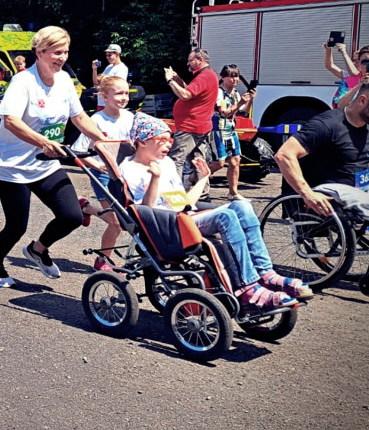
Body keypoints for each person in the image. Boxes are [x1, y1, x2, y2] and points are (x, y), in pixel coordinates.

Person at [121, 113, 309, 307]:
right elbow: (145, 211)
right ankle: (248, 286)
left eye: (170, 139)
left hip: (185, 216)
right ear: (142, 141)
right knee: (226, 215)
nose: (169, 144)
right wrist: (155, 179)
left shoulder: (166, 163)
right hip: (166, 227)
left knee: (242, 205)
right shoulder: (130, 168)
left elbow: (185, 202)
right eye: (162, 140)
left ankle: (266, 273)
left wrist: (203, 178)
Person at [0, 26, 106, 287]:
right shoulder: (23, 82)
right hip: (13, 167)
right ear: (40, 52)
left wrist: (103, 141)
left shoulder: (63, 81)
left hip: (46, 165)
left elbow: (79, 116)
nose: (62, 57)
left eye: (66, 52)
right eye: (57, 52)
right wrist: (43, 141)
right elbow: (11, 121)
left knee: (71, 216)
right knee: (16, 226)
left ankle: (38, 250)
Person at [275, 82, 369, 218]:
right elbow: (284, 155)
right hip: (329, 199)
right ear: (362, 100)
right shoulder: (326, 125)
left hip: (359, 194)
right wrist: (307, 194)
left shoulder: (366, 127)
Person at [70, 75, 134, 272]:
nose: (123, 97)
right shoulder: (96, 121)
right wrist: (98, 167)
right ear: (105, 97)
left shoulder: (131, 118)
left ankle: (87, 208)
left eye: (126, 93)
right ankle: (102, 260)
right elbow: (77, 151)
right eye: (118, 93)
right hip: (104, 177)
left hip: (125, 177)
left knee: (128, 219)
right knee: (116, 223)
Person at [165, 48, 218, 186]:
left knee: (175, 161)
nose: (188, 64)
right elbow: (190, 90)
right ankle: (203, 194)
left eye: (190, 60)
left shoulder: (205, 76)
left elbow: (185, 95)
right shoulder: (207, 75)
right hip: (199, 126)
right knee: (198, 161)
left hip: (190, 127)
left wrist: (170, 80)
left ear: (200, 60)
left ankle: (173, 193)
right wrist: (178, 79)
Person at [209, 65, 255, 200]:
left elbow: (243, 112)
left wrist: (250, 99)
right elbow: (224, 113)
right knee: (219, 163)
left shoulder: (235, 93)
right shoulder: (218, 92)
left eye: (237, 76)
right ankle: (192, 178)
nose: (234, 79)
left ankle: (233, 192)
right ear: (223, 77)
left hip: (230, 129)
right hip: (217, 130)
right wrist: (240, 102)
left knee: (236, 161)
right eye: (231, 76)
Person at [91, 44, 128, 109]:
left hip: (111, 105)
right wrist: (94, 69)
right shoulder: (109, 67)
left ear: (117, 54)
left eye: (109, 55)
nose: (107, 57)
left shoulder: (122, 68)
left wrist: (100, 90)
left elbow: (117, 87)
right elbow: (96, 83)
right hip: (101, 103)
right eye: (106, 55)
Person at [333, 45, 369, 110]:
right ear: (360, 64)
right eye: (365, 62)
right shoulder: (349, 81)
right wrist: (359, 85)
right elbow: (340, 105)